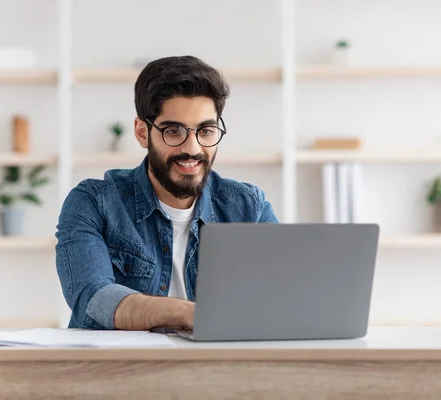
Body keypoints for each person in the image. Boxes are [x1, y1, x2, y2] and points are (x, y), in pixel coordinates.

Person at [55, 55, 278, 330]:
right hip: (118, 370)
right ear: (141, 132)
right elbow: (93, 298)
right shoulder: (94, 202)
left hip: (218, 369)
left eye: (206, 131)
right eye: (174, 131)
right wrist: (190, 314)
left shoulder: (248, 207)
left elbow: (279, 298)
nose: (193, 148)